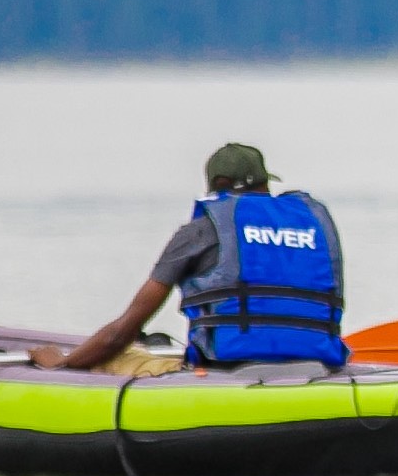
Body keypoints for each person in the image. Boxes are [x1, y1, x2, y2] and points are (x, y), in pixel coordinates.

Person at [29, 142, 349, 375]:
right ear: (264, 184)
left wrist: (61, 364)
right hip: (316, 364)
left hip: (227, 368)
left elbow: (120, 334)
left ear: (217, 186)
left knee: (116, 357)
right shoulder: (311, 221)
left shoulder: (201, 231)